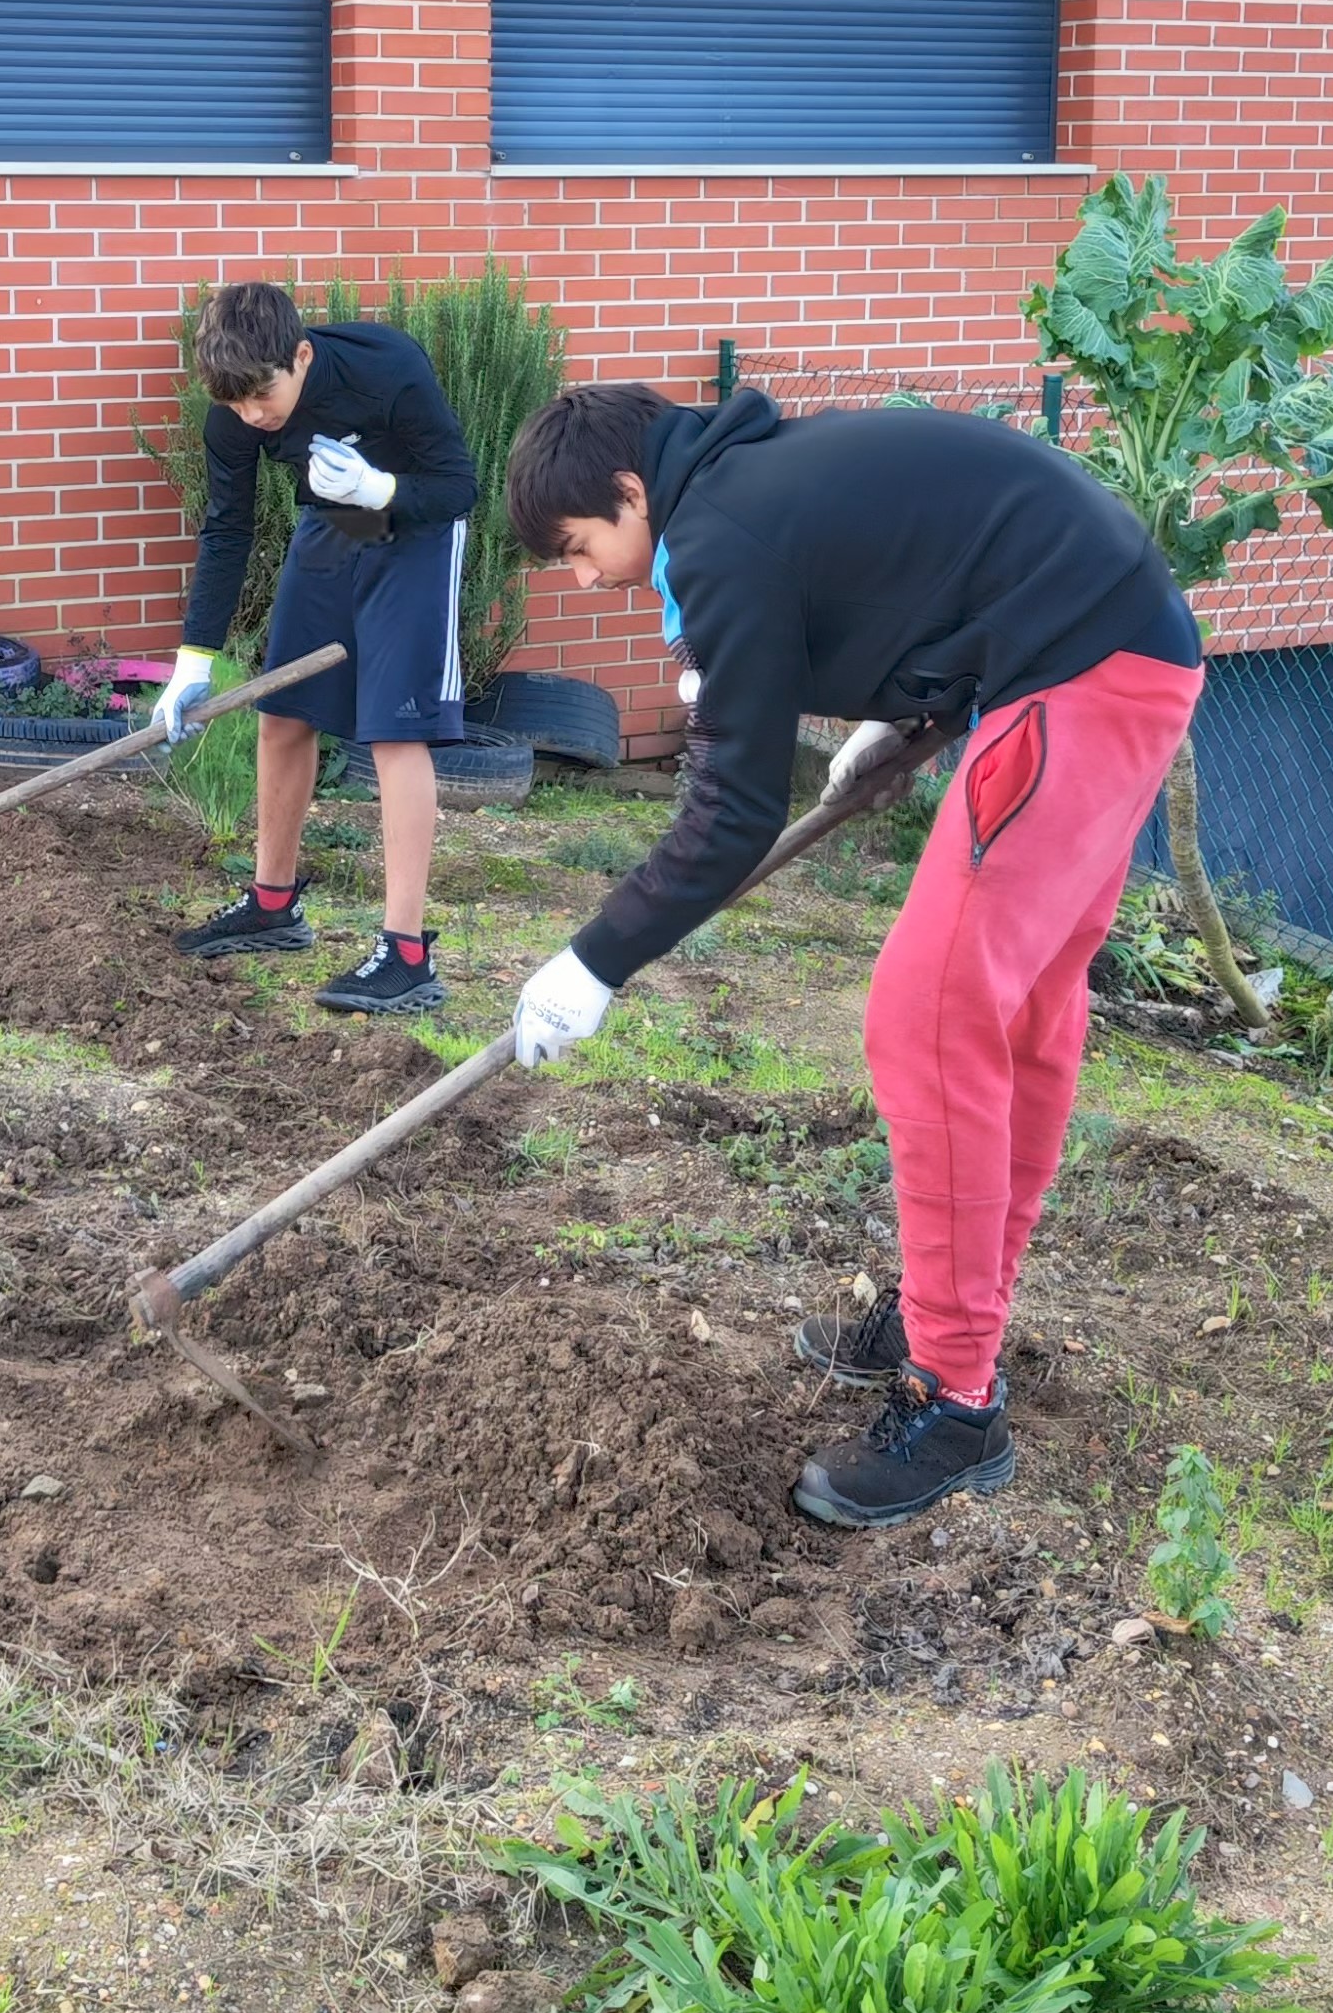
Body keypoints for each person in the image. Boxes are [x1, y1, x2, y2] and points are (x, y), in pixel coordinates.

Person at [503, 382, 1201, 1527]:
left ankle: (955, 1398)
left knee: (931, 1017)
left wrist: (595, 960)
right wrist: (906, 707)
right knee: (1021, 1014)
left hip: (1080, 671)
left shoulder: (719, 531)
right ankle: (949, 1316)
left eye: (578, 547)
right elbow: (921, 564)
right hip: (1112, 651)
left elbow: (731, 811)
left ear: (629, 491)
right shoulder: (745, 485)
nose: (582, 578)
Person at [155, 282, 478, 1016]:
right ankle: (272, 906)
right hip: (333, 527)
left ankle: (406, 955)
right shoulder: (235, 410)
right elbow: (227, 530)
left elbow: (458, 486)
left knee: (396, 730)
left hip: (414, 528)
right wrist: (193, 663)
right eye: (235, 404)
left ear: (301, 356)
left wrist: (381, 488)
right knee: (283, 711)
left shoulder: (387, 366)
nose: (251, 417)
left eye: (262, 398)